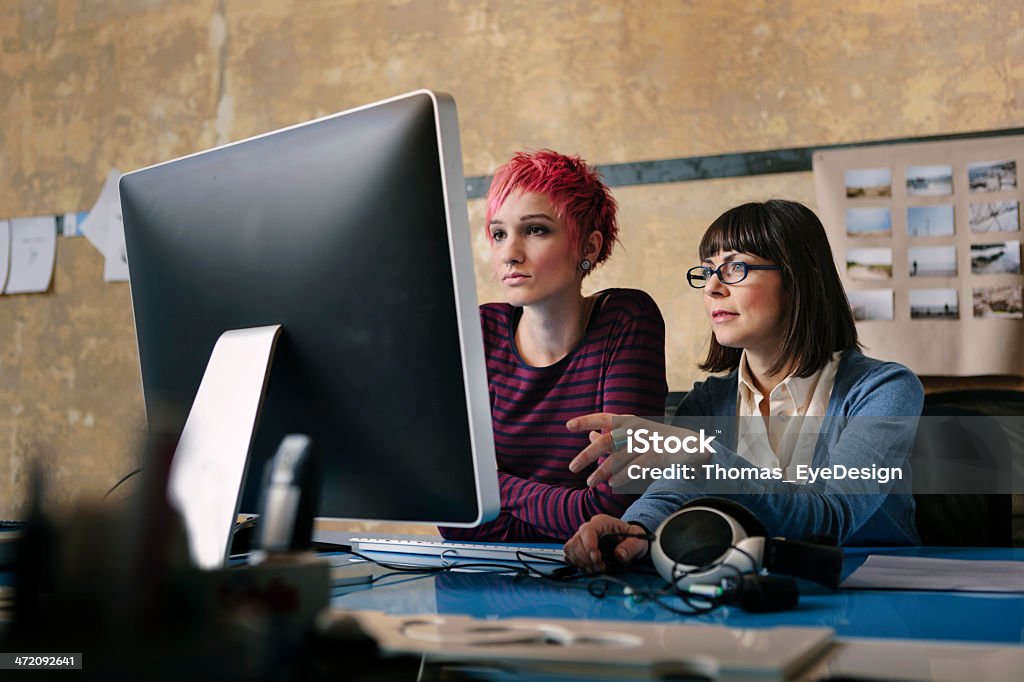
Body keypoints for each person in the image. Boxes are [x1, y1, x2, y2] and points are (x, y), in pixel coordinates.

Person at [562, 199, 923, 571]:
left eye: (735, 267)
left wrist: (704, 454)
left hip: (875, 594)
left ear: (798, 277)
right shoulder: (708, 402)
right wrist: (633, 531)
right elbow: (672, 494)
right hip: (755, 591)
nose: (712, 287)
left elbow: (830, 519)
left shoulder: (885, 390)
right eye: (707, 271)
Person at [440, 150, 668, 542]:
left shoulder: (627, 320)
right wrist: (553, 512)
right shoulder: (481, 330)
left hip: (596, 583)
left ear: (589, 248)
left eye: (535, 230)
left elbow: (611, 512)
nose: (509, 253)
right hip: (487, 579)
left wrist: (494, 488)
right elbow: (456, 514)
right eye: (499, 234)